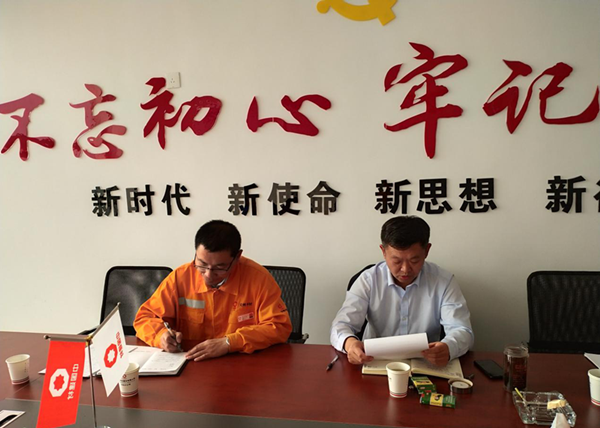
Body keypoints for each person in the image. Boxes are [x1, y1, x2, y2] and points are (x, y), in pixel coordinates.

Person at [134, 220, 292, 361]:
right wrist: (161, 335)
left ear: (237, 257)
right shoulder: (181, 277)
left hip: (241, 363)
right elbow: (145, 318)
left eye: (220, 267)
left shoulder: (258, 279)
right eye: (202, 264)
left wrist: (230, 343)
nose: (208, 274)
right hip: (189, 363)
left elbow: (279, 326)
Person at [330, 215, 474, 367]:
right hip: (375, 362)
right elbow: (341, 325)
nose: (405, 269)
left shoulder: (443, 281)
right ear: (383, 251)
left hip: (425, 364)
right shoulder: (368, 280)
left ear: (426, 251)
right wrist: (350, 344)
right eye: (397, 261)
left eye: (414, 260)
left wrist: (448, 348)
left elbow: (462, 330)